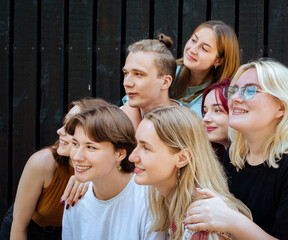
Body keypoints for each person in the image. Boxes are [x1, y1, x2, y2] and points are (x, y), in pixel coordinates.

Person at [184, 58, 288, 239]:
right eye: (234, 91)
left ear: (281, 106)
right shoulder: (236, 156)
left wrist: (233, 221)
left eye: (250, 90)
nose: (234, 98)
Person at [129, 105, 252, 240]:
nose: (132, 157)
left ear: (182, 158)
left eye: (146, 148)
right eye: (136, 145)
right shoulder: (170, 202)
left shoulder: (203, 219)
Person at [0, 98, 109, 240]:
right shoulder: (42, 163)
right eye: (64, 123)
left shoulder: (104, 169)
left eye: (70, 128)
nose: (60, 131)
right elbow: (18, 227)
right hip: (29, 231)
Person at [62, 105, 165, 240]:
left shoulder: (148, 198)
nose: (76, 157)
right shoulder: (75, 196)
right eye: (75, 144)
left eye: (90, 147)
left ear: (120, 154)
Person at [170, 20, 239, 116]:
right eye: (193, 40)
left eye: (204, 48)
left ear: (219, 61)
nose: (192, 50)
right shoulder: (169, 71)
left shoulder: (217, 95)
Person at [121, 33, 180, 128]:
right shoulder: (113, 121)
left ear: (165, 82)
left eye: (138, 74)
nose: (127, 83)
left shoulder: (188, 124)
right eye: (126, 73)